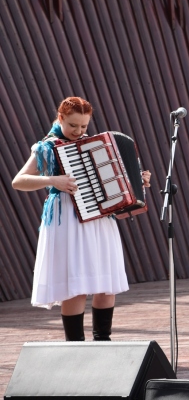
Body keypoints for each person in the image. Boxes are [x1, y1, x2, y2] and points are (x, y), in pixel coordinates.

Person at [12, 96, 151, 341]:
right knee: (76, 288)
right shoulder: (47, 146)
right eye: (73, 125)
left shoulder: (96, 146)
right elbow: (18, 181)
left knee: (106, 285)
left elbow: (114, 183)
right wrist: (52, 180)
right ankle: (75, 346)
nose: (79, 131)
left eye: (84, 126)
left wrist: (138, 181)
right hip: (67, 218)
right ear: (60, 118)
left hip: (99, 218)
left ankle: (102, 341)